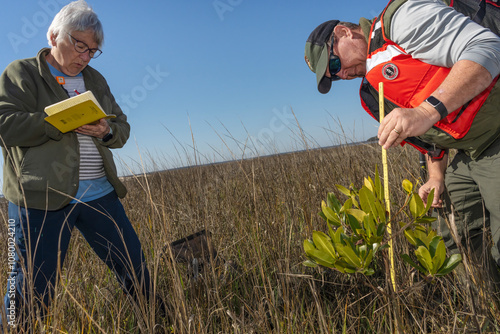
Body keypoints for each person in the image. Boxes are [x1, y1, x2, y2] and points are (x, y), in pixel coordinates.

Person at [304, 0, 500, 284]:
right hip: (468, 151)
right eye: (332, 76)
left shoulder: (401, 20)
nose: (341, 74)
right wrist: (435, 177)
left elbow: (487, 47)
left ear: (344, 33)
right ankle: (487, 305)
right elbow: (434, 141)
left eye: (335, 63)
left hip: (495, 133)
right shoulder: (373, 92)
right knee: (453, 230)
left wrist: (425, 111)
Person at [0, 0, 151, 328]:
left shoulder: (95, 79)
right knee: (29, 287)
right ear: (54, 36)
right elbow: (5, 123)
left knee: (136, 269)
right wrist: (55, 121)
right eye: (79, 45)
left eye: (92, 50)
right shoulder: (20, 72)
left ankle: (160, 323)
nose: (85, 56)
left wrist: (106, 130)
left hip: (100, 195)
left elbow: (122, 128)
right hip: (40, 198)